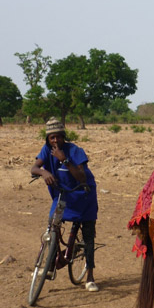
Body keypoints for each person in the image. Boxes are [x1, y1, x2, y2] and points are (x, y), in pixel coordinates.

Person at [31, 117, 100, 291]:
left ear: (64, 136)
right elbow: (34, 168)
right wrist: (43, 172)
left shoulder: (74, 150)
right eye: (52, 138)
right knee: (53, 226)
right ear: (48, 139)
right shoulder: (47, 150)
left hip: (84, 194)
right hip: (63, 195)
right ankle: (50, 265)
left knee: (88, 234)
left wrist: (64, 160)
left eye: (58, 137)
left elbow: (82, 176)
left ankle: (90, 277)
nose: (55, 141)